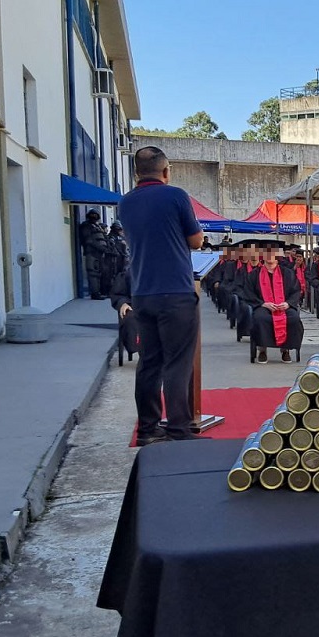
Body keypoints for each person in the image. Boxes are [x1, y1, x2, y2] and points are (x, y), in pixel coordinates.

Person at [118, 146, 205, 446]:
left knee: (149, 363)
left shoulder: (125, 203)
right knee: (177, 363)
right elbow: (195, 240)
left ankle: (147, 429)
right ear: (166, 171)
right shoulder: (176, 196)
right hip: (176, 292)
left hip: (143, 292)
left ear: (136, 173)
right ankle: (178, 429)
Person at [250, 240, 303, 363]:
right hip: (263, 306)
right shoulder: (254, 274)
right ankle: (262, 349)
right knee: (260, 318)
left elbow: (296, 291)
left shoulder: (288, 274)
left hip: (284, 306)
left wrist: (288, 303)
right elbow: (249, 293)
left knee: (293, 318)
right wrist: (263, 303)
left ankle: (285, 349)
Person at [109, 267, 139, 360]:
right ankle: (142, 351)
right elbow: (118, 294)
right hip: (135, 306)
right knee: (130, 317)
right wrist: (123, 303)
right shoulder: (129, 273)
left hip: (160, 307)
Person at [78, 209, 110, 299]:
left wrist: (106, 248)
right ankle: (95, 293)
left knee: (99, 273)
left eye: (95, 215)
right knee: (93, 273)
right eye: (92, 215)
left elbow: (103, 238)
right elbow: (88, 240)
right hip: (91, 252)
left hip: (100, 253)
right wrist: (101, 248)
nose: (94, 216)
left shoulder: (97, 226)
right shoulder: (86, 226)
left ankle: (99, 292)